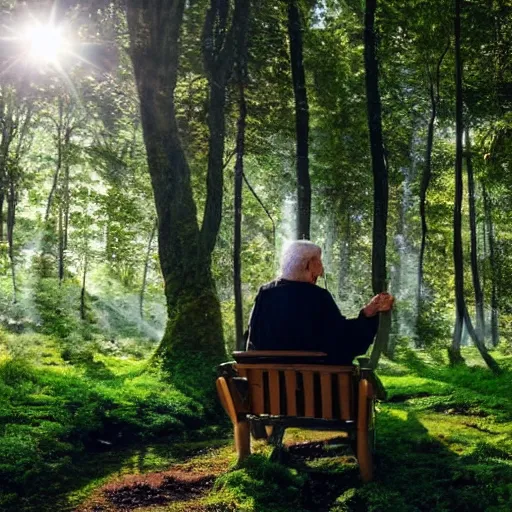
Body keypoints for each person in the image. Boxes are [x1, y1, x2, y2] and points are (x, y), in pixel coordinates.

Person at [246, 240, 394, 364]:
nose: (322, 271)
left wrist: (367, 312)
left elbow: (252, 342)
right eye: (320, 261)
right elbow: (345, 343)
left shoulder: (264, 294)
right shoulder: (318, 297)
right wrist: (368, 317)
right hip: (313, 394)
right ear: (309, 264)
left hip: (268, 393)